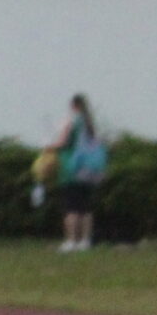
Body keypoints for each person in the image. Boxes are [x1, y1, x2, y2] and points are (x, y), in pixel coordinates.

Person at [53, 94, 108, 252]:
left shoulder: (72, 121)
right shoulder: (90, 123)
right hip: (89, 170)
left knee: (71, 208)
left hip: (72, 168)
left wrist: (52, 146)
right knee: (85, 208)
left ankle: (71, 241)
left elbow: (64, 142)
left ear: (73, 106)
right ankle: (85, 241)